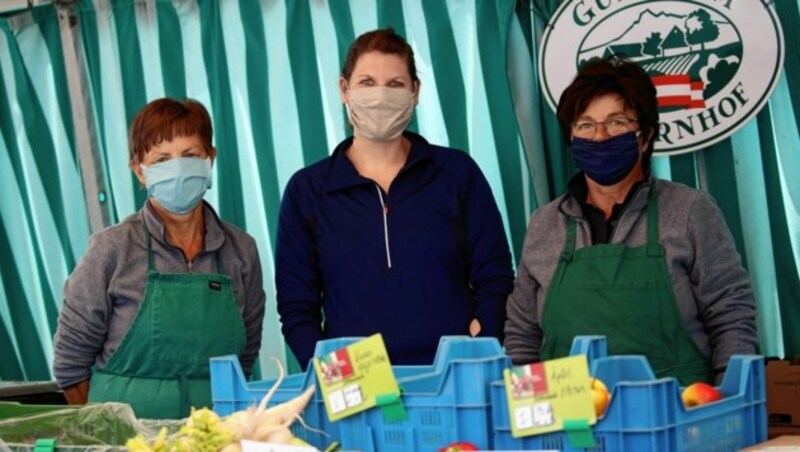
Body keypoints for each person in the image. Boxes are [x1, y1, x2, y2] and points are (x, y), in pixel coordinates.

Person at [503, 56, 758, 385]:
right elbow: (522, 332)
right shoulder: (545, 223)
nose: (599, 137)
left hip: (678, 414)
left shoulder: (690, 211)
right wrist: (529, 411)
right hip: (569, 424)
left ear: (645, 136)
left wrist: (729, 397)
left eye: (616, 122)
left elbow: (731, 314)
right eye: (585, 125)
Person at [276, 28, 514, 370]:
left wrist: (480, 344)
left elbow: (495, 276)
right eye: (367, 82)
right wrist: (335, 375)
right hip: (357, 383)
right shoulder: (307, 190)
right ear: (344, 89)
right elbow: (298, 306)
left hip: (455, 376)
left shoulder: (457, 173)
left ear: (415, 92)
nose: (380, 96)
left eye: (396, 84)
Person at [53, 98, 266, 419]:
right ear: (139, 171)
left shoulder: (241, 250)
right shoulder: (112, 248)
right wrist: (105, 430)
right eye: (162, 159)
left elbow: (245, 357)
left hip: (216, 436)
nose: (177, 168)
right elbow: (70, 363)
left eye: (190, 155)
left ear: (211, 158)